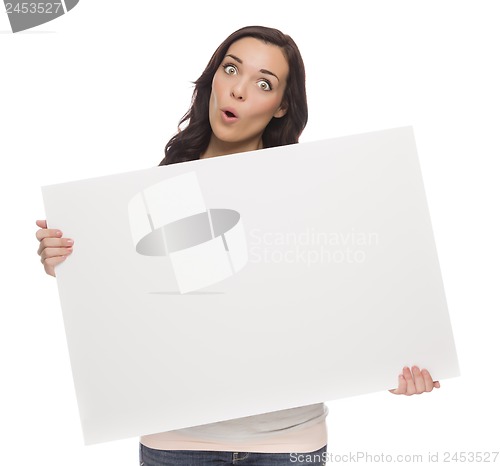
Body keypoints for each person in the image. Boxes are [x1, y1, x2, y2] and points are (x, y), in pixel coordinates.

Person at [36, 25, 440, 466]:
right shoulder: (156, 193)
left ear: (282, 105)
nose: (239, 91)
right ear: (214, 78)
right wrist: (72, 265)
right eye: (232, 70)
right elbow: (133, 312)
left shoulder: (314, 190)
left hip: (288, 441)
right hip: (176, 442)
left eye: (264, 83)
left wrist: (399, 362)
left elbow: (351, 300)